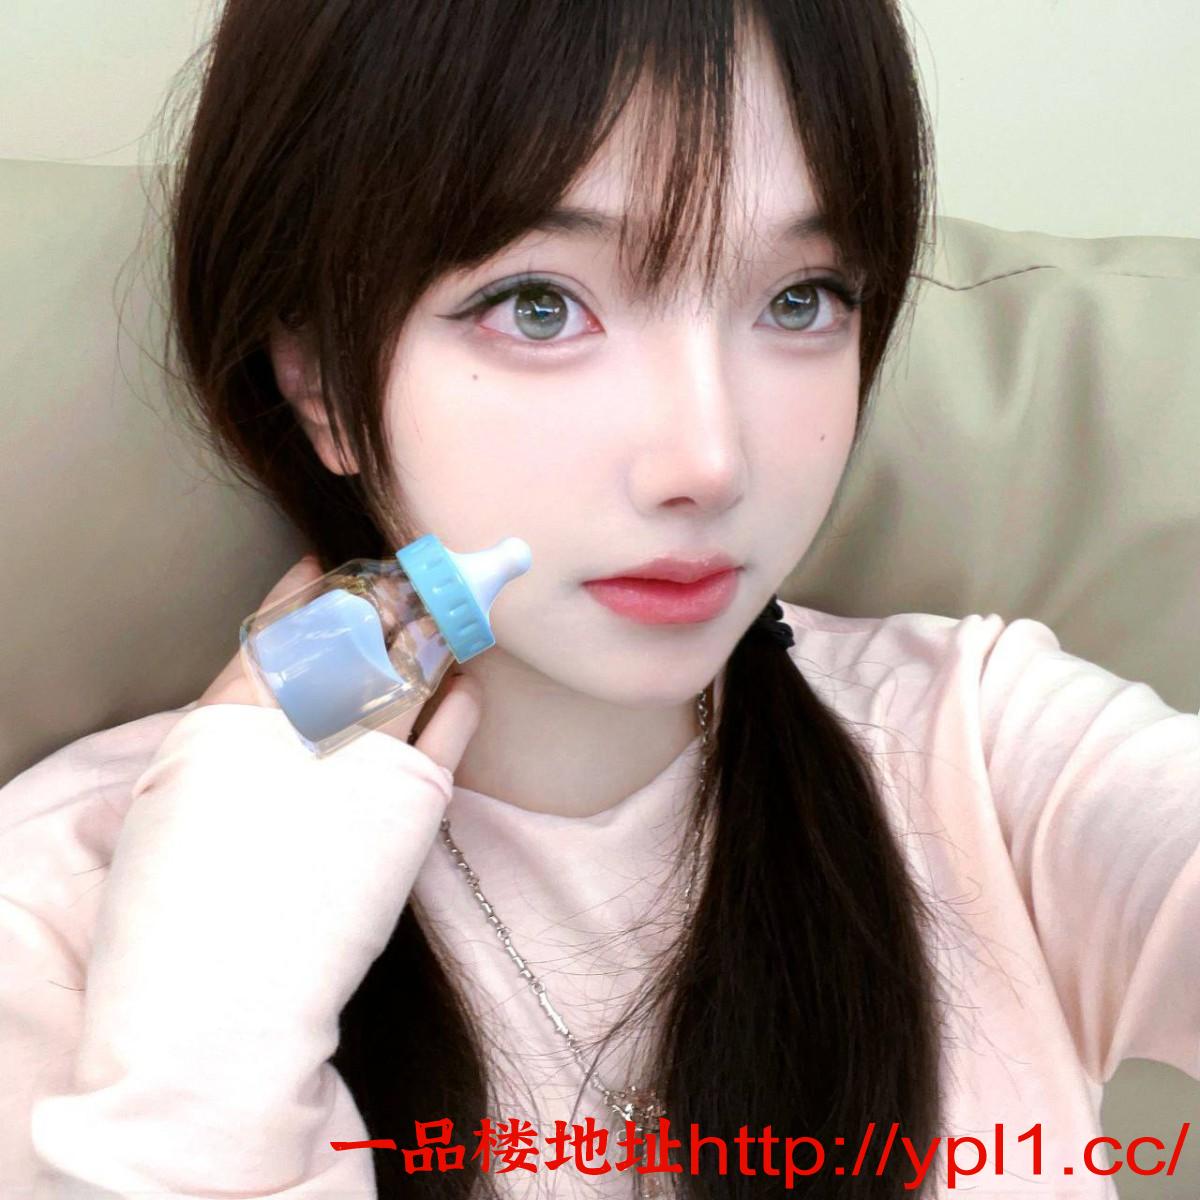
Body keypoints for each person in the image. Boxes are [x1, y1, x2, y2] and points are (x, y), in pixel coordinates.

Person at [1, 1, 1197, 1197]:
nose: (710, 462)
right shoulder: (60, 909)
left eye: (800, 299)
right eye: (539, 304)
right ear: (314, 376)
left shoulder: (983, 758)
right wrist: (198, 1054)